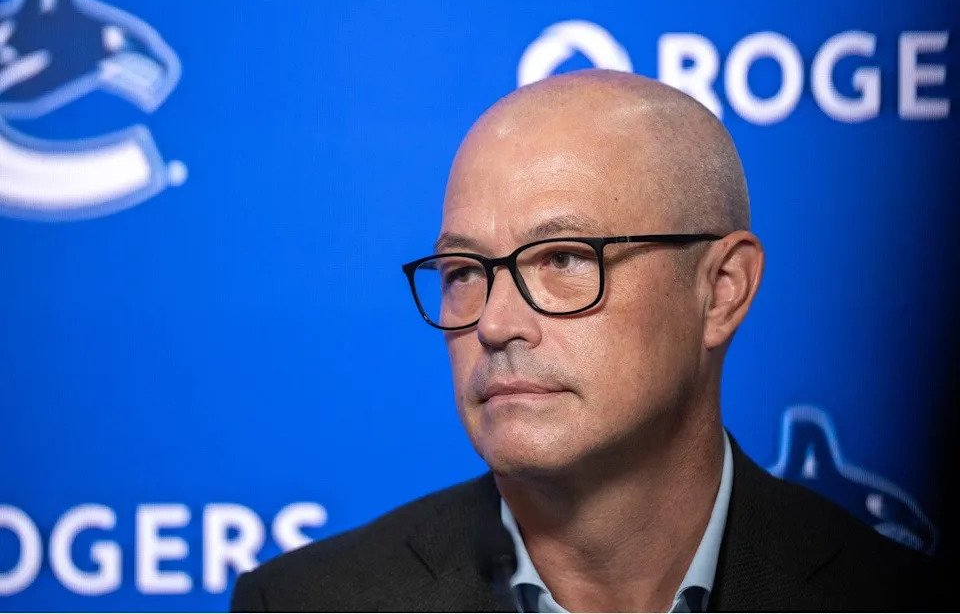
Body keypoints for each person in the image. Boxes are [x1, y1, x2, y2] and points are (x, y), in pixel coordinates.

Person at [231, 71, 948, 612]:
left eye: (564, 260)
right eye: (463, 271)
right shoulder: (306, 604)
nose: (495, 323)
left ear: (722, 288)